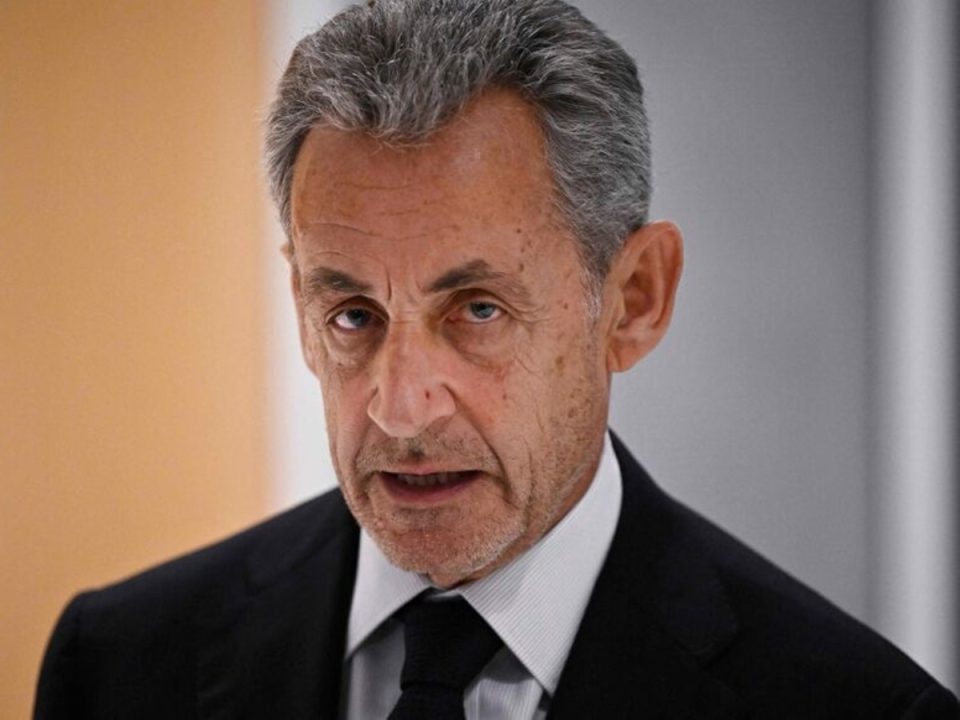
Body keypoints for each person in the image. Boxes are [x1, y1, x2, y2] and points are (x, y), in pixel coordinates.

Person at [34, 1, 959, 717]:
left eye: (477, 309)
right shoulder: (116, 667)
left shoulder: (860, 711)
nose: (400, 408)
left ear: (634, 300)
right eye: (352, 314)